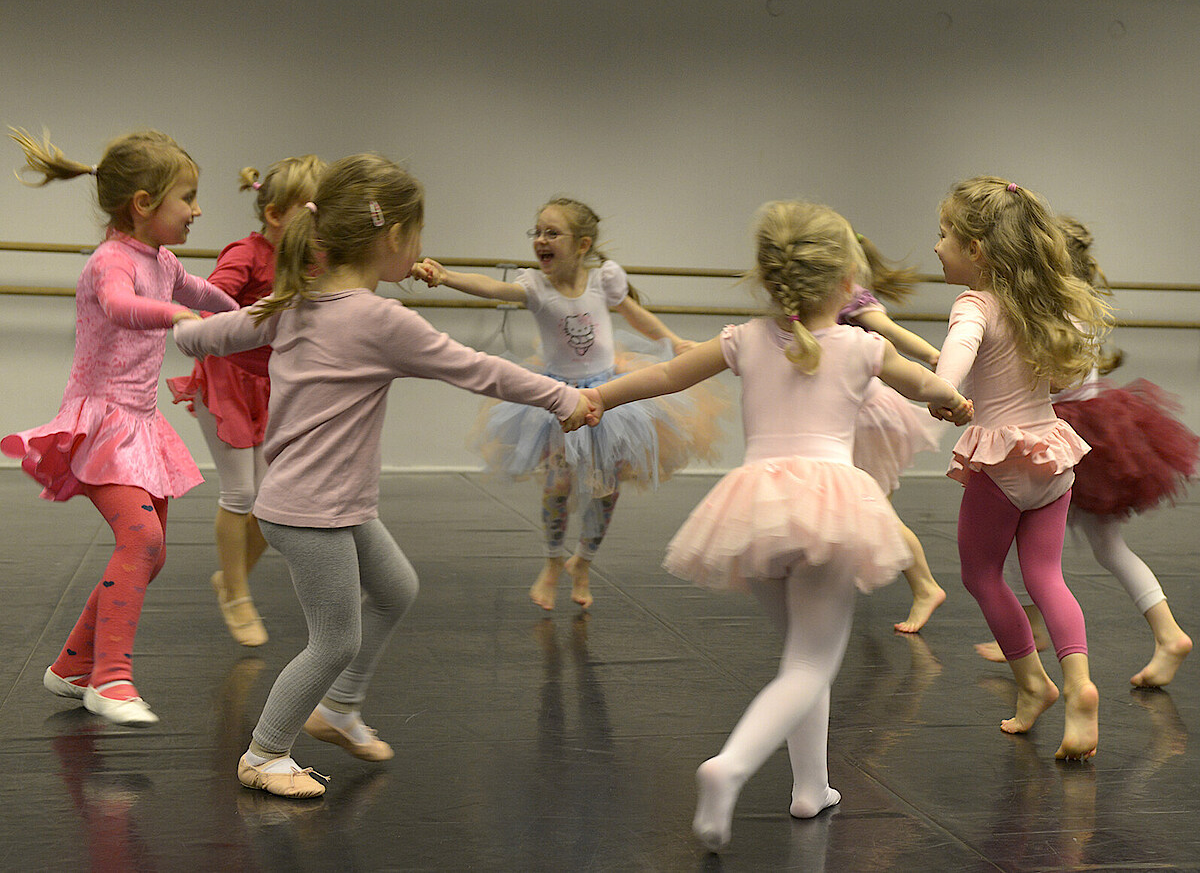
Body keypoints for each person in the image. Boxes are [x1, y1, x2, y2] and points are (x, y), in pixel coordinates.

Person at [173, 153, 592, 799]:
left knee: (396, 588)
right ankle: (264, 751)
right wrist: (564, 398)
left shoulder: (298, 303)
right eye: (418, 234)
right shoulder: (379, 319)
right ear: (393, 237)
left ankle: (338, 709)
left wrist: (186, 332)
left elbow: (211, 336)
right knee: (334, 638)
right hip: (310, 509)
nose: (421, 248)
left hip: (329, 503)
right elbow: (480, 368)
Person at [580, 200, 971, 851]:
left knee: (800, 659)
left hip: (756, 508)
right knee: (811, 664)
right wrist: (955, 401)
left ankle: (810, 786)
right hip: (832, 507)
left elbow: (666, 374)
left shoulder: (743, 338)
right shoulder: (863, 346)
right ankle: (729, 766)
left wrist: (598, 396)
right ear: (850, 283)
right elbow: (926, 387)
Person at [2, 128, 239, 726]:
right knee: (141, 540)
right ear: (143, 203)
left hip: (140, 422)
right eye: (187, 197)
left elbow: (205, 292)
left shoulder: (162, 260)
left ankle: (71, 665)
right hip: (101, 421)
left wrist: (251, 316)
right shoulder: (111, 262)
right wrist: (179, 315)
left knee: (149, 554)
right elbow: (118, 306)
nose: (197, 210)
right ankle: (110, 678)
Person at [415, 197, 722, 612]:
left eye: (552, 233)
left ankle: (584, 561)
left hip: (611, 395)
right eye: (537, 232)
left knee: (606, 487)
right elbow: (492, 288)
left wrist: (675, 341)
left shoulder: (603, 282)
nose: (541, 240)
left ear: (582, 245)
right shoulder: (535, 288)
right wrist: (447, 276)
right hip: (559, 397)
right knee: (558, 486)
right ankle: (554, 560)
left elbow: (636, 315)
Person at [972, 216, 1195, 687]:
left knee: (1030, 541)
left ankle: (1162, 632)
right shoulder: (1078, 305)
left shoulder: (1054, 311)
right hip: (1088, 427)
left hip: (1065, 436)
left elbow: (1052, 383)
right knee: (1104, 547)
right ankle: (1164, 632)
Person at [934, 177, 1112, 761]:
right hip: (1052, 453)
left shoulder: (974, 303)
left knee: (981, 575)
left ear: (976, 250)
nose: (936, 246)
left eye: (943, 235)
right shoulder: (1039, 302)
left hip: (1002, 459)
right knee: (1046, 575)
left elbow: (958, 352)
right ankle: (1080, 684)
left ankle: (1034, 683)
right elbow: (1060, 381)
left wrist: (944, 389)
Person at [167, 155, 325, 647]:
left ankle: (230, 578)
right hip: (228, 378)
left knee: (272, 499)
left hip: (271, 383)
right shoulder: (247, 252)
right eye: (311, 211)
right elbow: (210, 299)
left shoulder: (307, 257)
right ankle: (235, 592)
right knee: (240, 494)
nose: (321, 222)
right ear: (276, 215)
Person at [837, 241, 948, 632]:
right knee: (865, 505)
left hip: (866, 417)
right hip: (851, 414)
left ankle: (925, 585)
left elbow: (891, 332)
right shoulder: (818, 298)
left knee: (872, 506)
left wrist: (935, 358)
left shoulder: (851, 299)